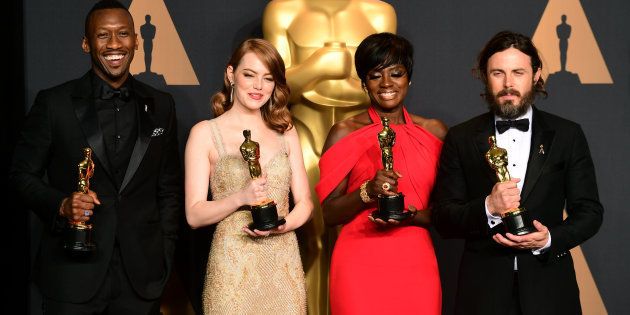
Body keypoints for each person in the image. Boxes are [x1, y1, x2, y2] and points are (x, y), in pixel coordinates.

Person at [10, 0, 182, 313]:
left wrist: (165, 255)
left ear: (136, 40)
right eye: (103, 36)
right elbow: (21, 175)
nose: (115, 44)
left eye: (123, 34)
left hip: (140, 280)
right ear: (86, 43)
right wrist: (62, 204)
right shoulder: (54, 103)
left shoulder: (162, 105)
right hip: (71, 274)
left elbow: (168, 188)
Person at [431, 30, 603, 315]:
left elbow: (589, 212)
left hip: (550, 288)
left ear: (535, 75)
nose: (508, 84)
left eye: (518, 72)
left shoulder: (567, 134)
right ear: (485, 77)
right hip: (482, 292)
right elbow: (443, 217)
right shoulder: (461, 137)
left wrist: (548, 239)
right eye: (498, 73)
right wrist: (488, 207)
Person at [262, 2, 396, 312]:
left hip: (364, 141)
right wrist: (317, 67)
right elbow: (275, 90)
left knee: (359, 240)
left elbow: (387, 88)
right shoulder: (283, 11)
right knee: (310, 242)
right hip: (304, 138)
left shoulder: (378, 13)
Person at [316, 32, 447, 315]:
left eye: (396, 73)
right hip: (358, 262)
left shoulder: (434, 132)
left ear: (409, 78)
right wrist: (366, 192)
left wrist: (411, 215)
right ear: (364, 83)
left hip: (416, 262)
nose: (387, 83)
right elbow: (329, 215)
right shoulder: (344, 132)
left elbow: (448, 210)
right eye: (376, 75)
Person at [184, 38, 312, 314]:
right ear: (231, 75)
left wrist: (282, 226)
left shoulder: (286, 131)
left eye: (267, 78)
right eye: (249, 75)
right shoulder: (205, 133)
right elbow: (194, 215)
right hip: (232, 268)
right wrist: (240, 197)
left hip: (283, 265)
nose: (258, 87)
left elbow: (305, 204)